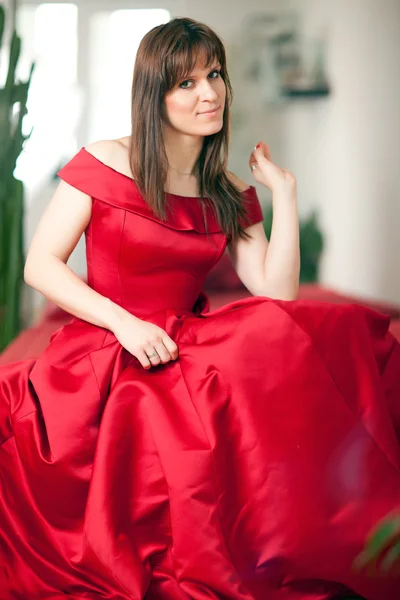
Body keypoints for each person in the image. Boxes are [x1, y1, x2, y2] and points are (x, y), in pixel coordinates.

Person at [0, 16, 399, 600]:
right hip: (111, 336)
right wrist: (124, 324)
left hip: (182, 338)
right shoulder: (106, 161)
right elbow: (42, 265)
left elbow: (277, 294)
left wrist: (283, 196)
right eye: (185, 83)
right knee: (151, 403)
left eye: (214, 75)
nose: (209, 92)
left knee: (304, 333)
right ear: (153, 95)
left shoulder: (225, 191)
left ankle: (321, 526)